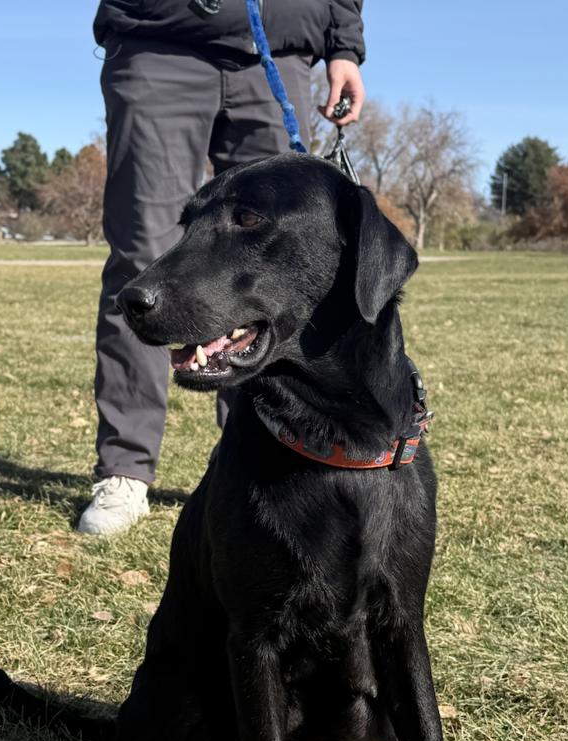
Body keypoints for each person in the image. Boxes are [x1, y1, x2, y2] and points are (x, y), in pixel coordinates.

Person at [77, 0, 366, 535]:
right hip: (159, 38)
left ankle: (260, 462)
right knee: (143, 262)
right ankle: (125, 470)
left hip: (280, 50)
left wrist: (344, 45)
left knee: (271, 272)